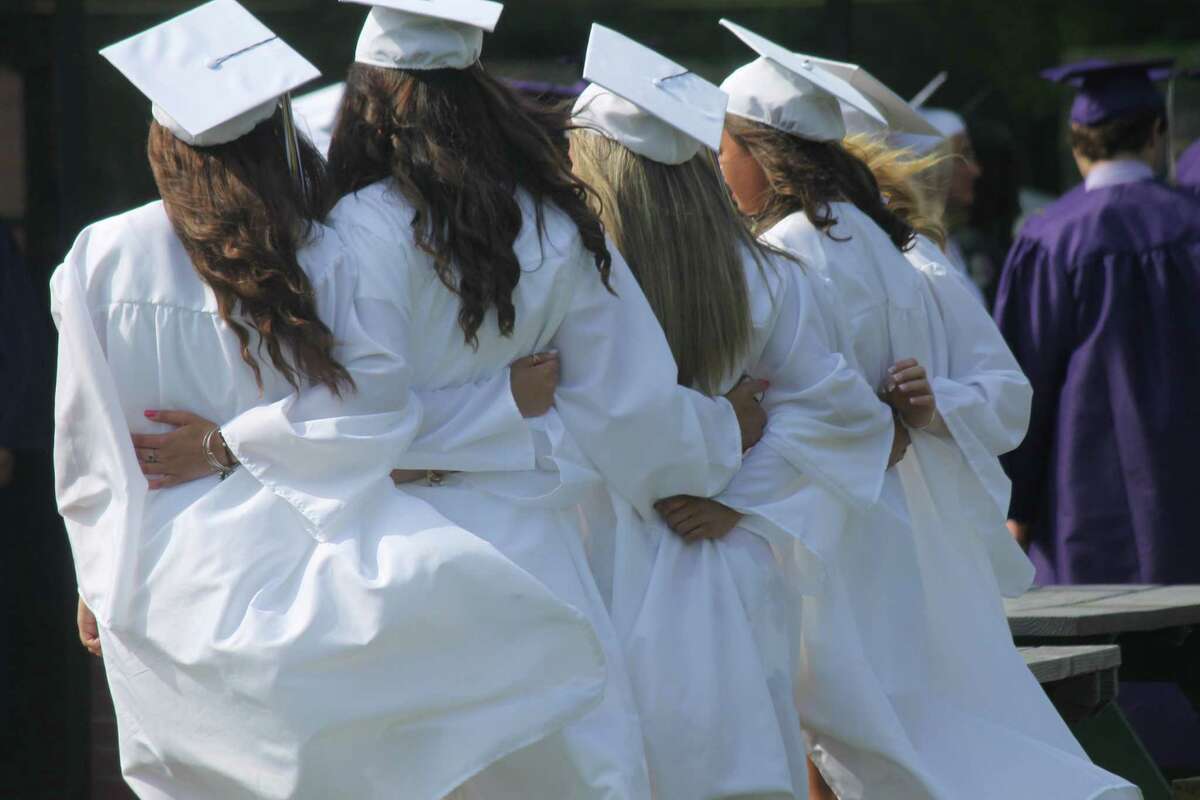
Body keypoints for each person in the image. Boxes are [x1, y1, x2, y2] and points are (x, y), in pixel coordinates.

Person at [146, 2, 766, 796]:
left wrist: (226, 444)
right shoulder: (556, 222)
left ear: (371, 102)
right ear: (480, 96)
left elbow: (361, 420)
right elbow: (631, 410)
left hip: (394, 561)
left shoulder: (353, 234)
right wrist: (719, 436)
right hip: (534, 551)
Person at [58, 3, 612, 797]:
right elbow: (363, 424)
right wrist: (230, 446)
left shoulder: (99, 258)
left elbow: (84, 447)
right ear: (278, 130)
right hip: (296, 563)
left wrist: (96, 575)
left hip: (161, 580)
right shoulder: (319, 251)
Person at [717, 19, 1139, 800]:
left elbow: (789, 401)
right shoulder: (899, 251)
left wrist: (919, 405)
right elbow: (1004, 399)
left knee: (844, 725)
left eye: (726, 144)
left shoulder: (779, 260)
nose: (716, 162)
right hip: (902, 533)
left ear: (764, 153)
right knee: (898, 720)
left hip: (817, 521)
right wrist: (929, 404)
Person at [567, 25, 901, 798]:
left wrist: (726, 478)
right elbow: (844, 415)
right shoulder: (765, 276)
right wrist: (734, 484)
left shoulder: (578, 284)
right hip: (715, 562)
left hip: (603, 553)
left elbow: (603, 425)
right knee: (731, 762)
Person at [995, 57, 1200, 584]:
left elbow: (1024, 381)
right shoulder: (1190, 228)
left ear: (1076, 142)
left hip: (1085, 500)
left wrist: (1014, 499)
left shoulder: (1048, 239)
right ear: (1157, 132)